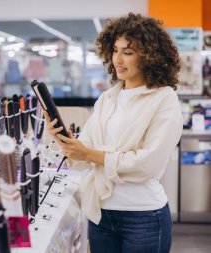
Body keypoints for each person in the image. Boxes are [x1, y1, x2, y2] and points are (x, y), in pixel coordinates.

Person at [44, 13, 182, 253]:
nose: (117, 59)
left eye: (127, 52)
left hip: (144, 218)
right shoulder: (108, 98)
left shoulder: (164, 99)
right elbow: (84, 147)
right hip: (101, 215)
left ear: (150, 57)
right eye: (115, 50)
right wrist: (62, 137)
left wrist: (91, 154)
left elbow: (147, 164)